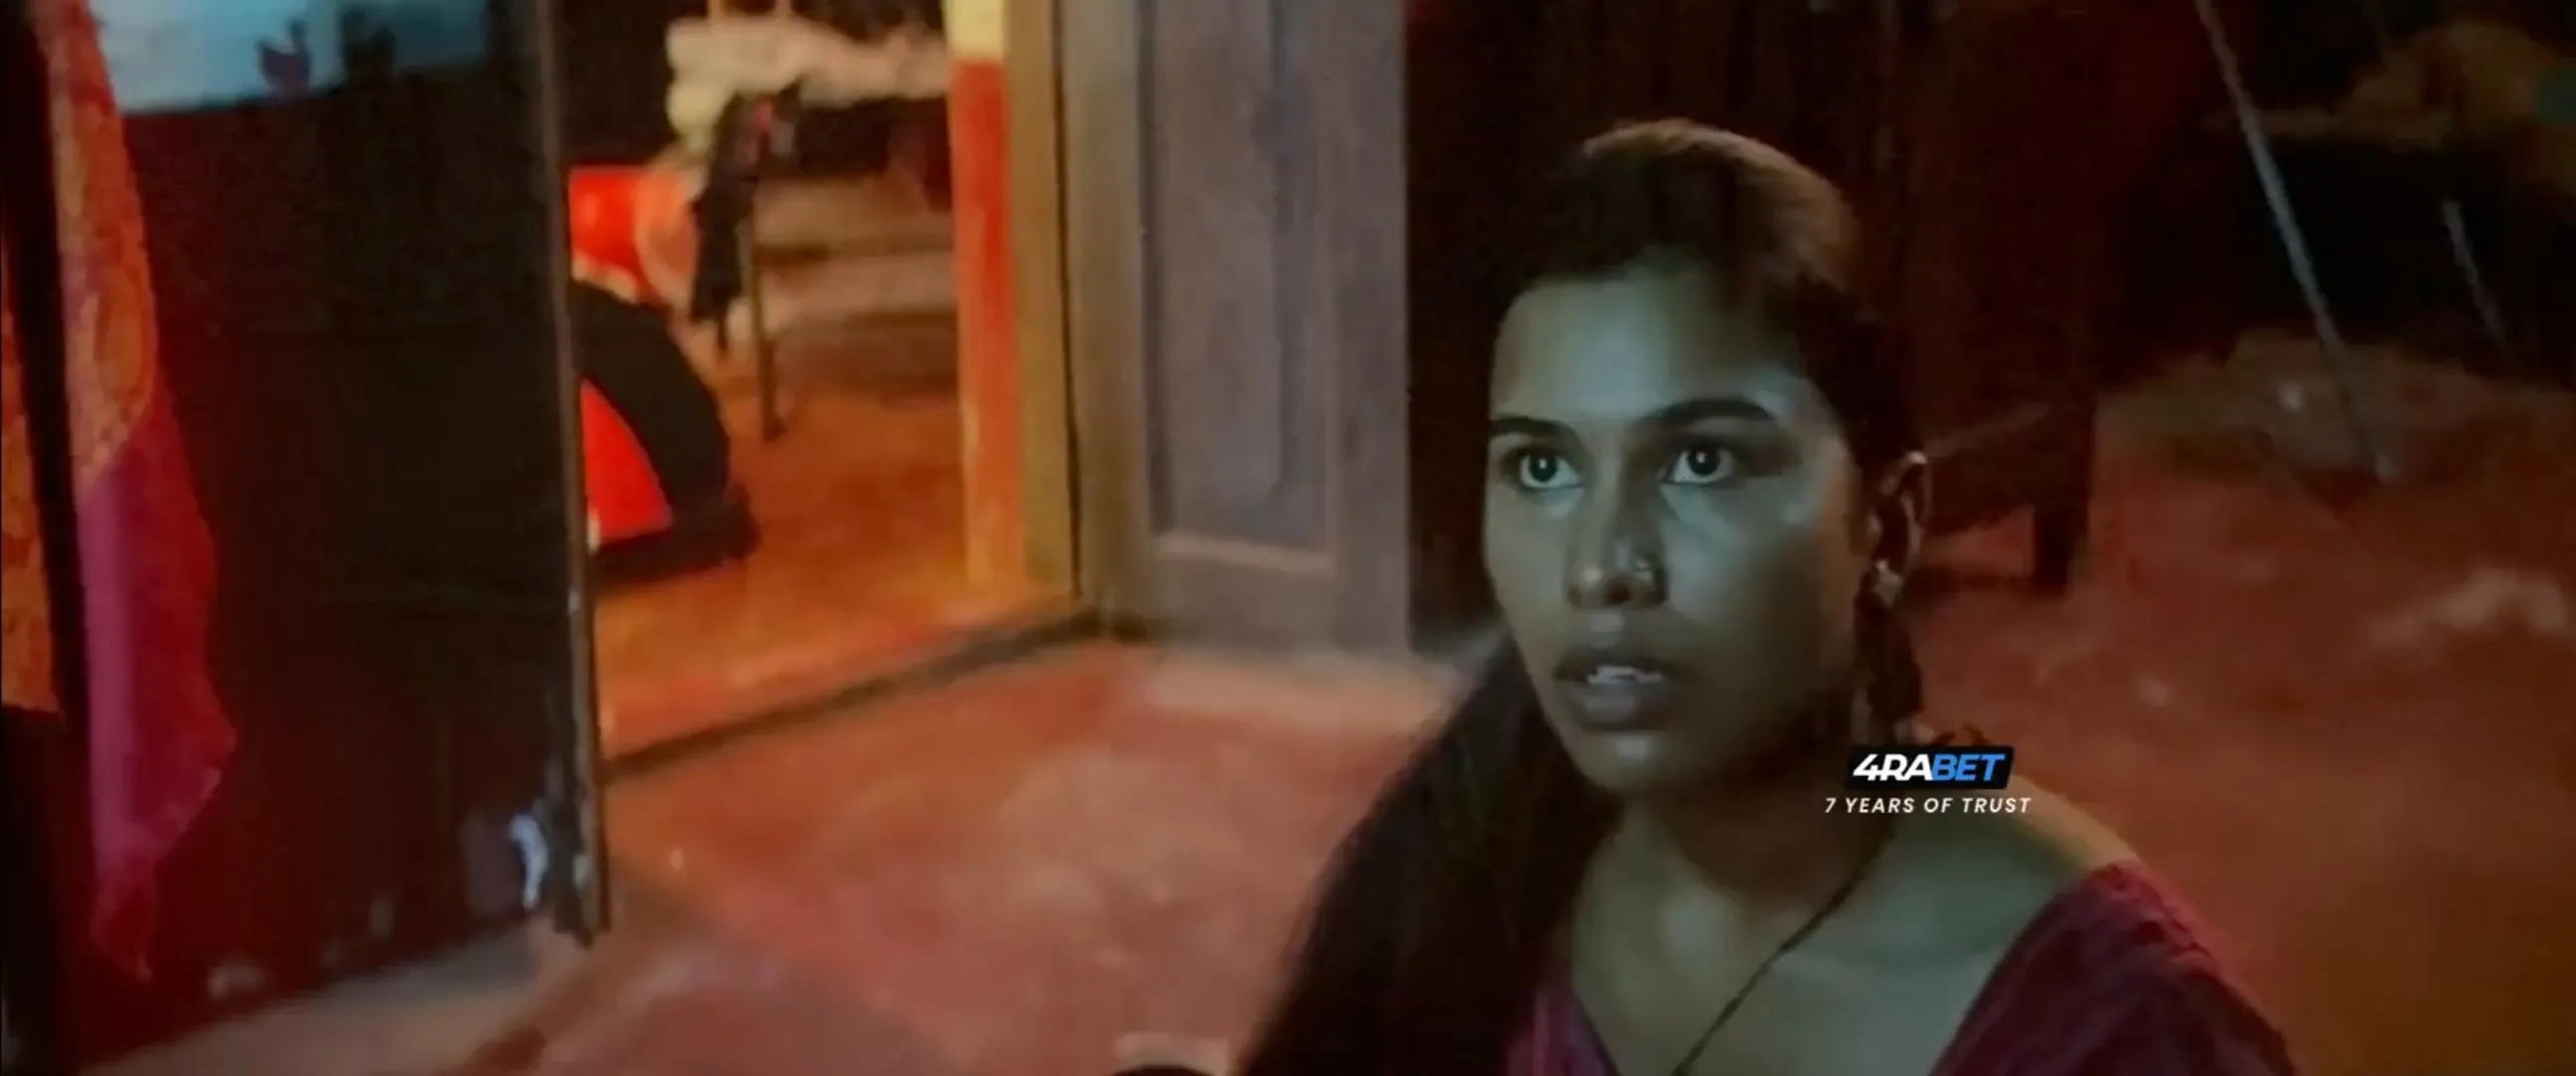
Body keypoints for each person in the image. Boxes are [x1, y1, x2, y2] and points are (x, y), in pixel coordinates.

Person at [1233, 123, 2296, 1075]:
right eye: (1542, 469)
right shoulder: (1491, 874)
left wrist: (1960, 786)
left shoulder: (2119, 1026)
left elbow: (1925, 780)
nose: (1599, 567)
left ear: (1886, 527)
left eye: (1701, 462)